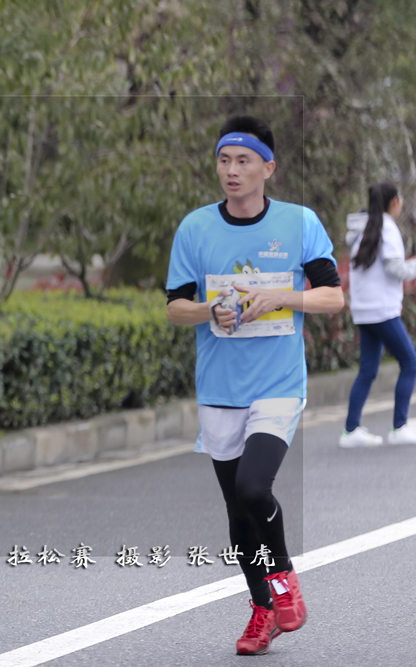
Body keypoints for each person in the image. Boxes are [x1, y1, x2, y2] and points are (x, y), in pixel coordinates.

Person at [165, 116, 344, 656]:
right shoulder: (195, 228)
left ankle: (284, 581)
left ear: (268, 168)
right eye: (224, 160)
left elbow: (333, 297)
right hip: (220, 388)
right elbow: (175, 307)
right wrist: (208, 310)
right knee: (237, 512)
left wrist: (282, 297)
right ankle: (263, 609)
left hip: (277, 385)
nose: (232, 170)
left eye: (243, 160)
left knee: (252, 488)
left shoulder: (298, 223)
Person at [339, 182, 416, 447]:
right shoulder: (387, 228)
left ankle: (350, 431)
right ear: (394, 202)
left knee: (368, 371)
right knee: (410, 362)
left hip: (363, 311)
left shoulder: (364, 229)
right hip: (382, 311)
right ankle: (399, 427)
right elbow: (395, 269)